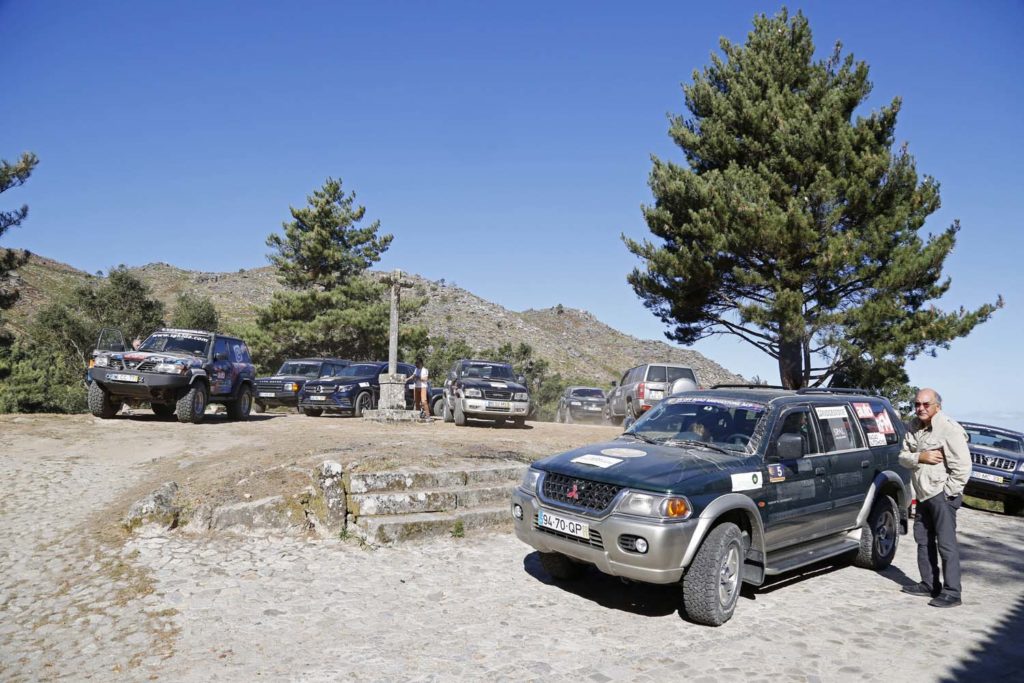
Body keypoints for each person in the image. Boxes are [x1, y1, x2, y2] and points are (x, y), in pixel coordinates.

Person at [897, 388, 972, 608]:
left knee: (946, 545)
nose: (920, 408)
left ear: (937, 406)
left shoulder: (949, 429)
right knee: (922, 540)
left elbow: (963, 466)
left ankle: (952, 592)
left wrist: (948, 493)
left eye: (925, 404)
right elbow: (902, 457)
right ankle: (929, 584)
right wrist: (920, 456)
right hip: (922, 494)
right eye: (917, 404)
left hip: (942, 495)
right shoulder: (913, 426)